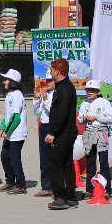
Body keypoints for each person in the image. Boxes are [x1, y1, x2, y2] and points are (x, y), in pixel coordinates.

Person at [45, 58, 79, 210]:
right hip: (65, 132)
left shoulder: (65, 88)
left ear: (57, 71)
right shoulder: (62, 86)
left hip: (63, 134)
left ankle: (60, 197)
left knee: (55, 163)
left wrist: (53, 132)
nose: (51, 72)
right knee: (66, 164)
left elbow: (62, 113)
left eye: (52, 70)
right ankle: (70, 197)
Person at [78, 80, 112, 200]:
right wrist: (83, 119)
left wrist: (96, 117)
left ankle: (106, 189)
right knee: (90, 161)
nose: (90, 92)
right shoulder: (84, 103)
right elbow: (80, 119)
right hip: (88, 132)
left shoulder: (104, 102)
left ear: (98, 91)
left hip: (101, 130)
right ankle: (89, 189)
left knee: (103, 162)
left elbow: (111, 118)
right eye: (88, 90)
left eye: (93, 90)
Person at [0, 69, 28, 195]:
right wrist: (2, 127)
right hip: (10, 132)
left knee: (14, 159)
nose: (4, 81)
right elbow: (7, 115)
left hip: (16, 133)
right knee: (4, 156)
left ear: (12, 81)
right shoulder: (10, 94)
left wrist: (7, 131)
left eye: (6, 79)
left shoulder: (17, 95)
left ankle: (21, 185)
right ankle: (10, 181)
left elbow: (16, 117)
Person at [32, 71, 54, 197]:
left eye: (50, 80)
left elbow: (54, 111)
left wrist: (45, 99)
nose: (48, 82)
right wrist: (36, 98)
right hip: (44, 125)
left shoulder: (57, 94)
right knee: (44, 157)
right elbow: (36, 111)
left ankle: (57, 185)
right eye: (46, 80)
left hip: (53, 125)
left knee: (54, 157)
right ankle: (46, 186)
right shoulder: (44, 93)